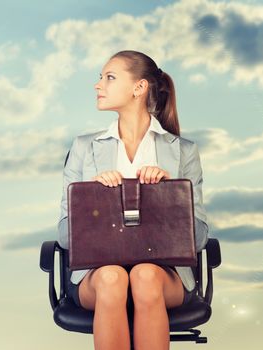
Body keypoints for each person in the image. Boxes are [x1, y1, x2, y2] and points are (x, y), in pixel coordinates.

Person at [57, 50, 209, 350]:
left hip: (164, 275)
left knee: (144, 275)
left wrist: (170, 195)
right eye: (100, 78)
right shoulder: (84, 147)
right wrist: (92, 197)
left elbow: (201, 237)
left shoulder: (183, 151)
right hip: (96, 276)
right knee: (113, 278)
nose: (98, 85)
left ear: (139, 88)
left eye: (109, 77)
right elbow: (63, 236)